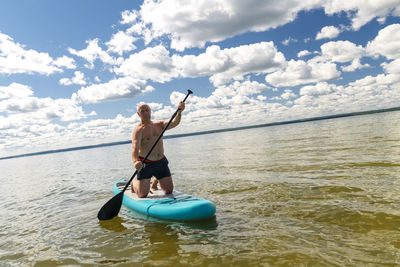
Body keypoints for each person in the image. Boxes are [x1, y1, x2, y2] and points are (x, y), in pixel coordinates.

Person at [131, 101, 185, 198]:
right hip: (145, 163)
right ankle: (133, 183)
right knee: (142, 195)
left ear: (150, 111)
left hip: (161, 162)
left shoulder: (159, 125)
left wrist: (179, 111)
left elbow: (174, 122)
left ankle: (155, 181)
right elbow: (135, 147)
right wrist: (135, 161)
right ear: (138, 114)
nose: (145, 112)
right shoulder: (138, 130)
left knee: (169, 191)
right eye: (142, 111)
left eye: (147, 110)